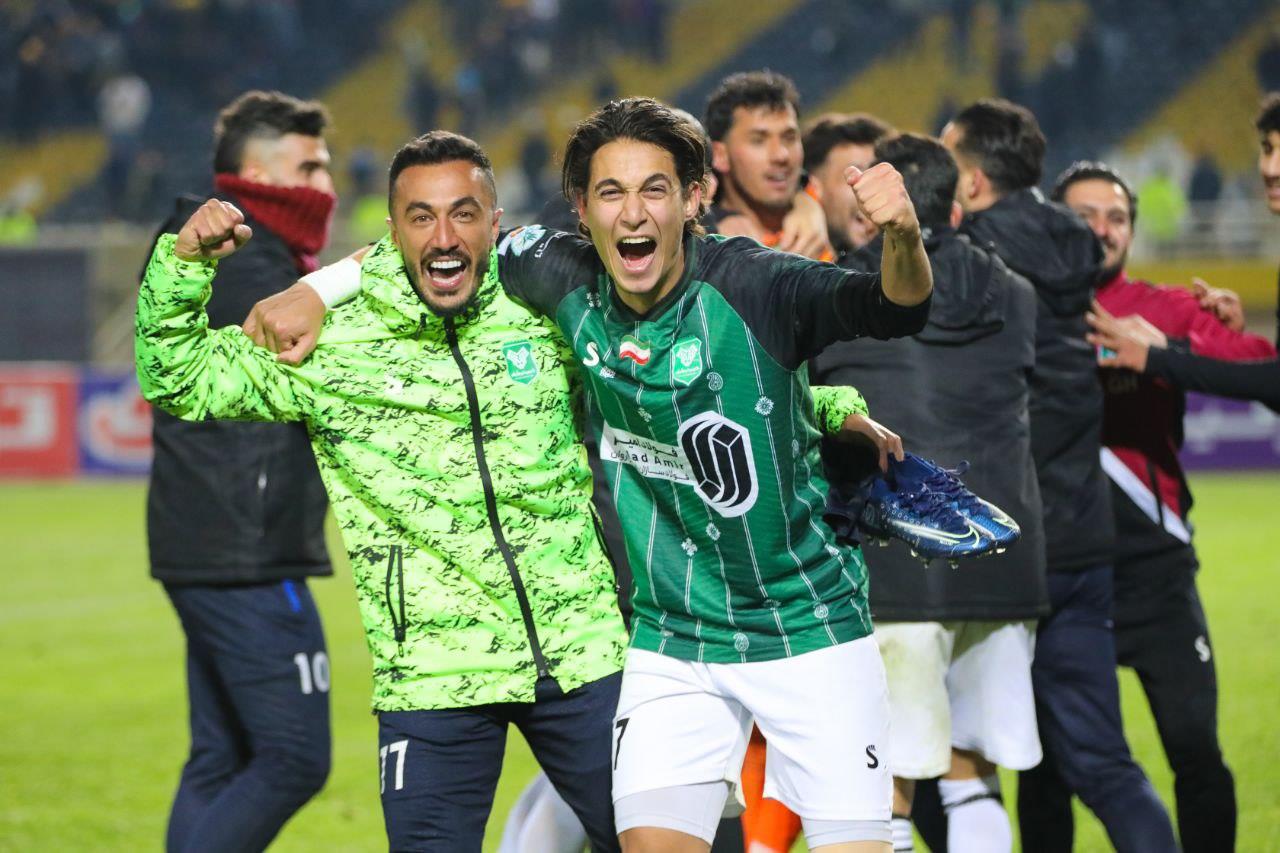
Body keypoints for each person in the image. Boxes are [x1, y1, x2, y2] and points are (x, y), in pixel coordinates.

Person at [267, 97, 932, 852]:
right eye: (611, 192)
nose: (633, 212)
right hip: (676, 638)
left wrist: (902, 238)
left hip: (808, 626)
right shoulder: (554, 272)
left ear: (694, 198)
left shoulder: (759, 286)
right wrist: (320, 288)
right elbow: (441, 237)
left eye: (655, 189)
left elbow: (894, 305)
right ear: (582, 210)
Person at [138, 132, 635, 852]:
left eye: (464, 213)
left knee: (678, 842)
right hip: (432, 676)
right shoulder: (334, 341)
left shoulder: (546, 310)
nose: (444, 236)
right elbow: (177, 376)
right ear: (393, 232)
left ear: (495, 225)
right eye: (421, 216)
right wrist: (185, 267)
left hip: (583, 653)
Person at [940, 98, 1178, 852]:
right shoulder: (1079, 249)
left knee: (947, 761)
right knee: (1102, 762)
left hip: (995, 547)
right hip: (1080, 542)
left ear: (973, 180)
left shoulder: (964, 259)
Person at [812, 132, 1046, 853]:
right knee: (973, 776)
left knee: (887, 788)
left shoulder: (842, 294)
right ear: (956, 202)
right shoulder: (1016, 294)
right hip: (1001, 556)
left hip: (899, 567)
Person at [1055, 160, 1275, 852]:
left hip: (1156, 574)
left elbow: (1260, 365)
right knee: (1046, 767)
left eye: (1117, 217)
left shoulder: (1168, 308)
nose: (1103, 229)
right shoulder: (1019, 305)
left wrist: (1190, 340)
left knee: (1196, 750)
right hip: (1060, 577)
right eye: (1086, 216)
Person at [145, 90, 337, 853]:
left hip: (206, 543)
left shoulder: (211, 252)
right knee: (294, 758)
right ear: (256, 174)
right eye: (309, 167)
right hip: (247, 550)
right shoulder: (245, 259)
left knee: (221, 756)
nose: (326, 184)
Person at [1087, 92, 1280, 409]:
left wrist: (1158, 355)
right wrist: (1169, 347)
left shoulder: (1168, 305)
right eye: (1268, 149)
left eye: (1116, 218)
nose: (1271, 168)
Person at [704, 70, 833, 260]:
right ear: (720, 155)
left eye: (789, 137)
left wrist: (810, 202)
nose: (781, 155)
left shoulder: (827, 212)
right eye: (758, 140)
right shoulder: (697, 247)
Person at [802, 112, 893, 258]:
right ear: (814, 187)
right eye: (854, 176)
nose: (870, 188)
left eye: (880, 176)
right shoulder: (779, 259)